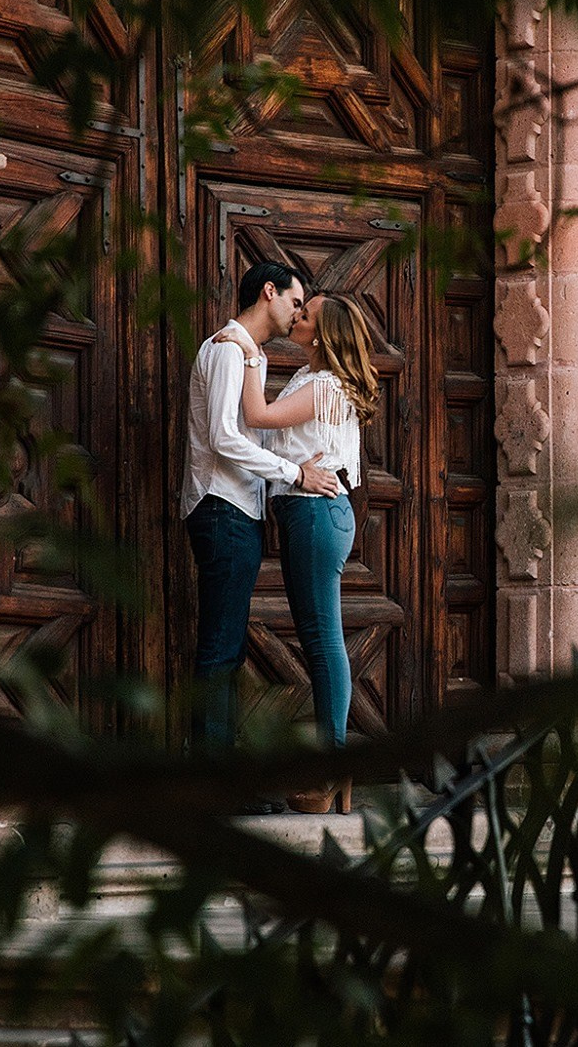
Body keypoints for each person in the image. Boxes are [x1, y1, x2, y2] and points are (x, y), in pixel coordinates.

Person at [216, 291, 382, 814]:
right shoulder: (313, 382)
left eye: (305, 315)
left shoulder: (325, 384)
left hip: (315, 515)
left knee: (322, 640)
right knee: (318, 639)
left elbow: (258, 416)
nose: (297, 316)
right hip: (308, 516)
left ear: (324, 333)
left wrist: (245, 350)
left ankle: (332, 768)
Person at [181, 262, 341, 781]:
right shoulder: (229, 349)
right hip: (222, 508)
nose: (299, 313)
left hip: (237, 511)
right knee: (220, 650)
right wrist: (297, 473)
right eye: (296, 302)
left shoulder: (249, 355)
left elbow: (254, 432)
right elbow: (227, 437)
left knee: (226, 651)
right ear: (268, 292)